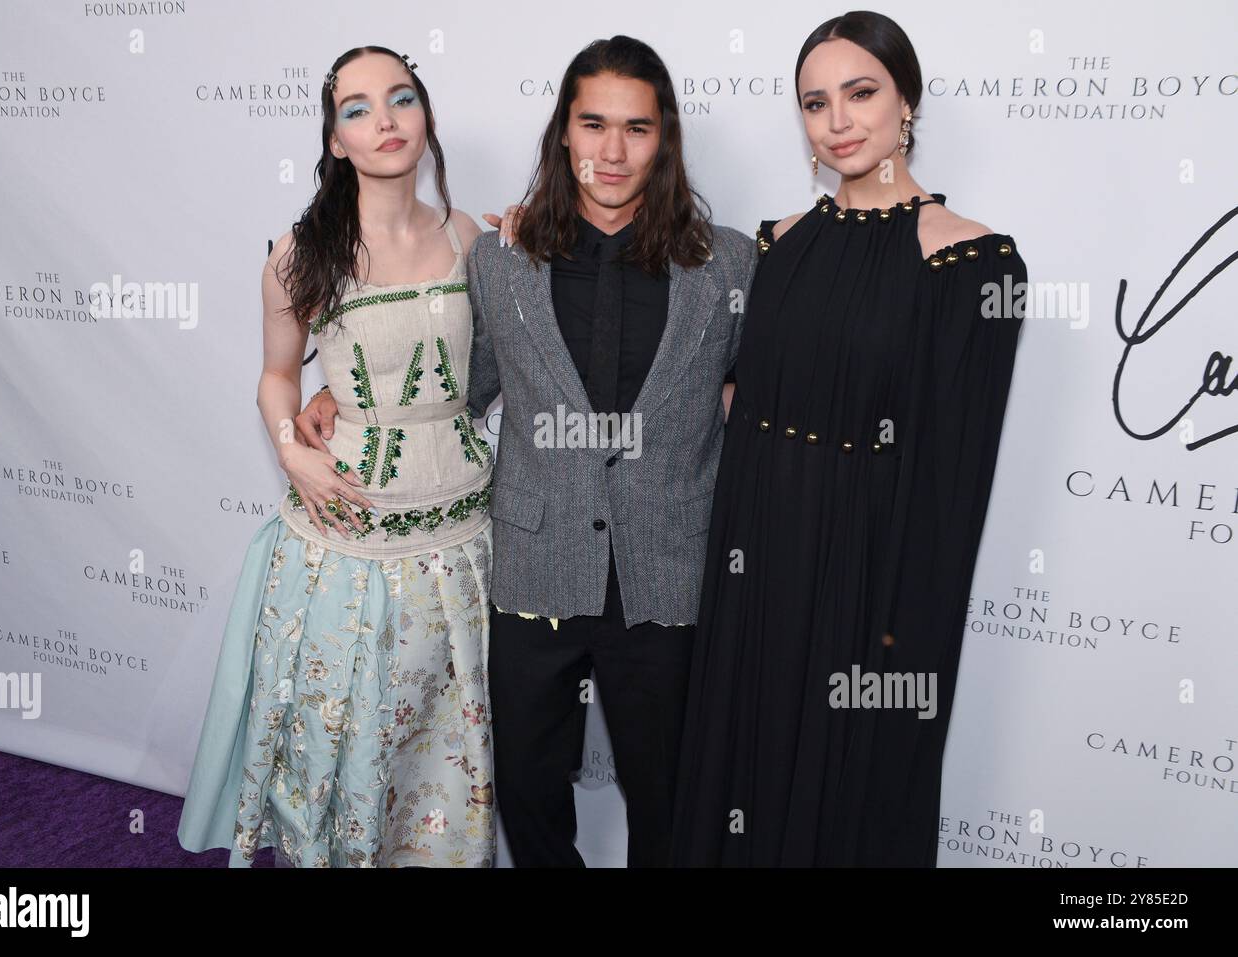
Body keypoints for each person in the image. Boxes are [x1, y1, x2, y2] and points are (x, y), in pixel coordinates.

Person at [303, 35, 755, 866]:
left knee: (672, 792)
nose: (612, 151)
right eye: (592, 124)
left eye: (637, 128)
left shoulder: (729, 261)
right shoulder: (500, 261)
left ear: (666, 140)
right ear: (563, 134)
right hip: (534, 565)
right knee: (525, 788)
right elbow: (455, 388)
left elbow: (767, 388)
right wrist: (342, 391)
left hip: (669, 569)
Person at [670, 10, 1028, 866]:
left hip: (870, 581)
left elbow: (955, 481)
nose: (838, 119)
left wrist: (898, 645)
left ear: (906, 100)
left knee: (842, 795)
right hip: (753, 565)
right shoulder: (771, 246)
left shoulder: (978, 263)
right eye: (815, 101)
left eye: (860, 92)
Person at [177, 45, 496, 867]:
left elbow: (493, 373)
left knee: (442, 742)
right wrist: (292, 451)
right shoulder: (297, 253)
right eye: (357, 109)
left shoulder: (469, 236)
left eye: (400, 99)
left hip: (462, 533)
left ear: (425, 116)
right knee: (349, 731)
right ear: (334, 139)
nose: (384, 121)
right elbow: (277, 377)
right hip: (346, 533)